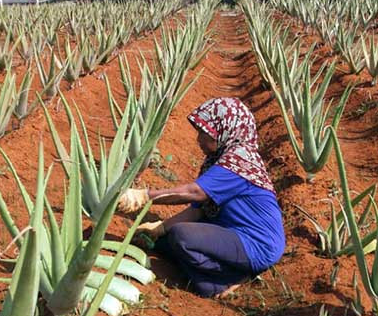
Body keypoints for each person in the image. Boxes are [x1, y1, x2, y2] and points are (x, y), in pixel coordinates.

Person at [117, 97, 285, 298]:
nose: (199, 140)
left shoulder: (239, 162)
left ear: (225, 130)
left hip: (255, 243)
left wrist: (144, 196)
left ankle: (229, 278)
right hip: (230, 232)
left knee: (182, 236)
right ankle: (208, 277)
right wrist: (160, 228)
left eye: (205, 133)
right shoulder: (219, 160)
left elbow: (195, 192)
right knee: (163, 241)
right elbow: (197, 210)